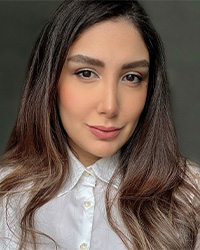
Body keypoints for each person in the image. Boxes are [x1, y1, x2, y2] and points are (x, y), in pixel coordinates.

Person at [0, 0, 200, 249]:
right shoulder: (6, 197)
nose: (110, 106)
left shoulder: (190, 197)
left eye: (131, 77)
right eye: (86, 73)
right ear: (50, 80)